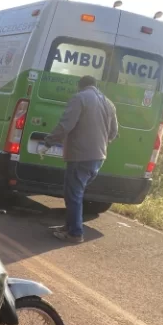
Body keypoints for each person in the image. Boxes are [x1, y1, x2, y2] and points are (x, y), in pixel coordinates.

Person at [41, 75, 118, 243]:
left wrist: (48, 142)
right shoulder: (109, 103)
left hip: (80, 156)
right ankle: (69, 227)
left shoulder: (80, 98)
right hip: (98, 157)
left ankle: (75, 233)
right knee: (74, 193)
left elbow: (65, 125)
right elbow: (113, 133)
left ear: (80, 86)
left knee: (74, 194)